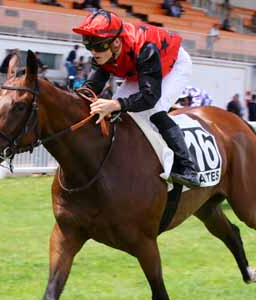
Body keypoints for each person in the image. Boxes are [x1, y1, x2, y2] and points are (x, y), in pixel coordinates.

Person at [72, 9, 200, 187]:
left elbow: (149, 97)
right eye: (89, 46)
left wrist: (116, 104)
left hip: (172, 64)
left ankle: (188, 169)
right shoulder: (103, 51)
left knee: (154, 110)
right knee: (115, 110)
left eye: (98, 46)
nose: (93, 52)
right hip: (141, 69)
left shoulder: (144, 48)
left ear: (116, 42)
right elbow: (92, 88)